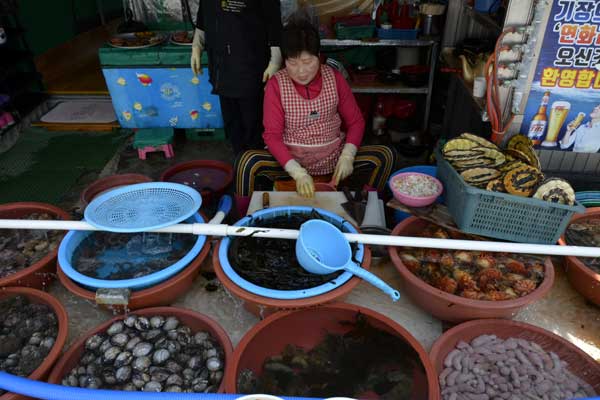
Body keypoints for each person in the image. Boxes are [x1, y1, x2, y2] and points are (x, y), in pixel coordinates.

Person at [234, 17, 397, 215]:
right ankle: (241, 222)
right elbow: (272, 136)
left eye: (307, 61)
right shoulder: (276, 85)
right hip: (290, 160)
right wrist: (297, 172)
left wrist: (348, 155)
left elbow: (355, 122)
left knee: (385, 156)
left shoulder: (334, 78)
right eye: (292, 63)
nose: (301, 71)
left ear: (318, 56)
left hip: (333, 157)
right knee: (246, 162)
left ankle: (369, 214)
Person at [191, 0, 283, 156]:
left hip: (250, 67)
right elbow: (202, 18)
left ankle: (255, 167)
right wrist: (196, 46)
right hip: (221, 69)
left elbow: (274, 23)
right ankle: (240, 161)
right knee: (232, 125)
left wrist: (275, 60)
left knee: (253, 125)